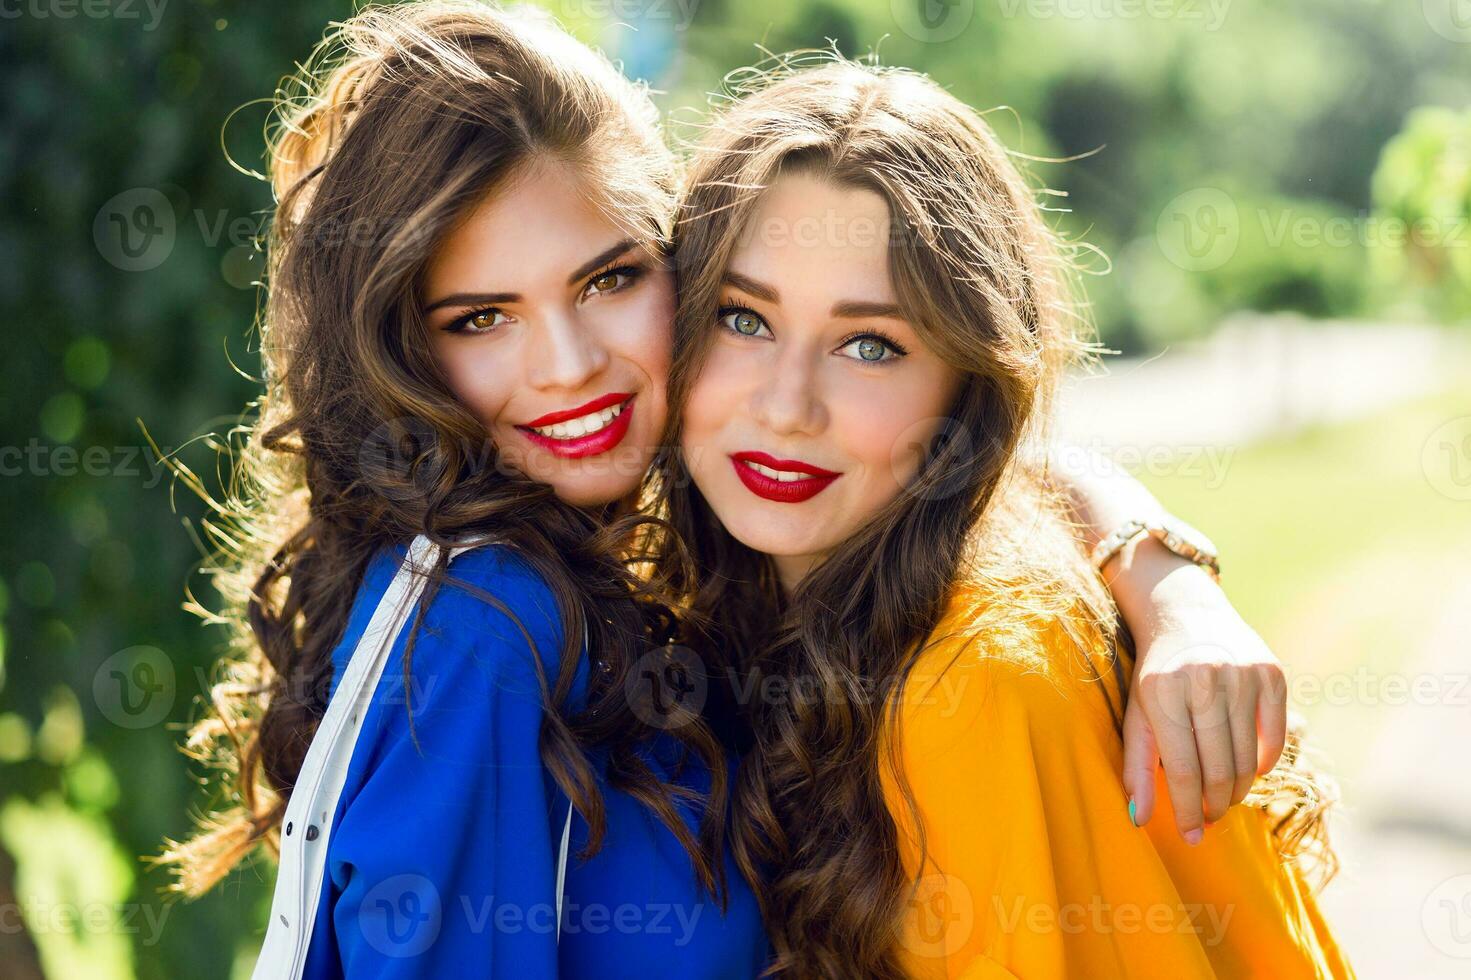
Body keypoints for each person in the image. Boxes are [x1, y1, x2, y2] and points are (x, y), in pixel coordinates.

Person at [659, 57, 1353, 978]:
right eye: (744, 319)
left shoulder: (972, 680)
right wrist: (1159, 569)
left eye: (869, 345)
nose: (787, 407)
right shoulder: (755, 585)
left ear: (964, 391)